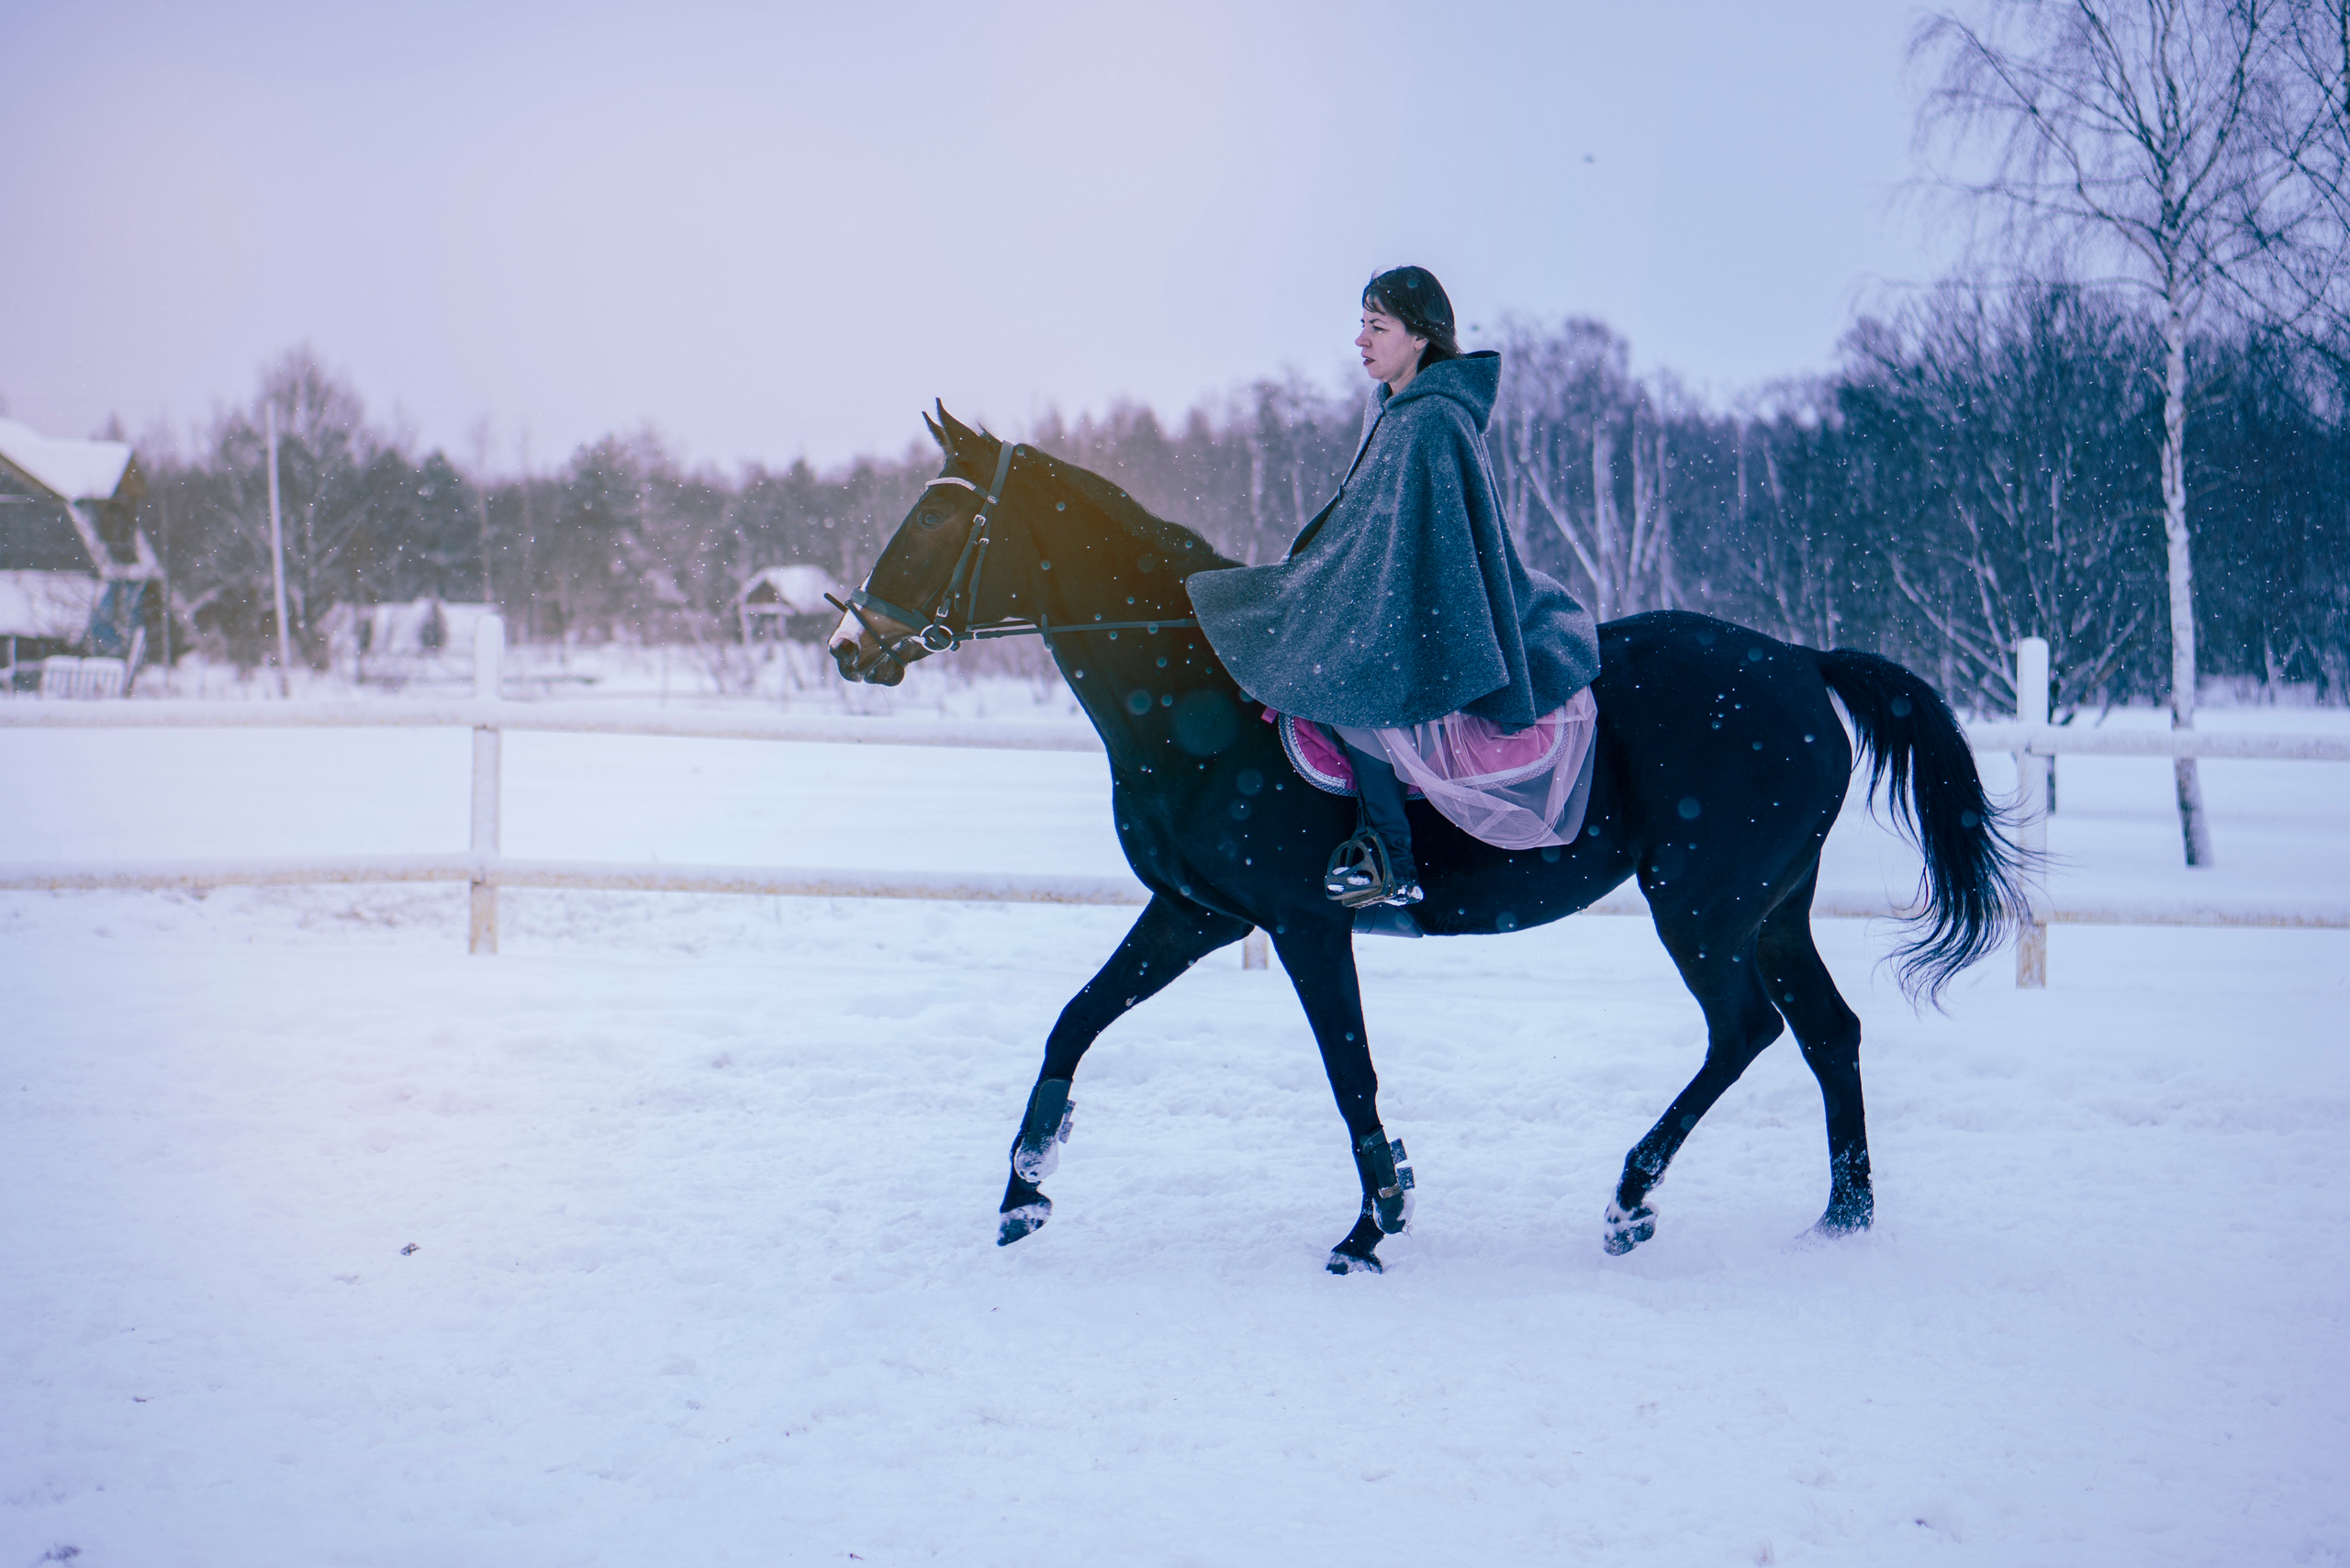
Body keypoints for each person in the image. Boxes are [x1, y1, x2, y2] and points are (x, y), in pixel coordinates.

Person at [1187, 266, 1602, 913]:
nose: (1361, 340)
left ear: (1420, 339)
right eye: (1362, 325)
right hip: (1398, 601)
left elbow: (1429, 549)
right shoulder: (1396, 411)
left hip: (1427, 610)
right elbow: (1369, 531)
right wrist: (1315, 580)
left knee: (1349, 688)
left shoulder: (1430, 419)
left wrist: (1348, 598)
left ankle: (1392, 857)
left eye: (1377, 327)